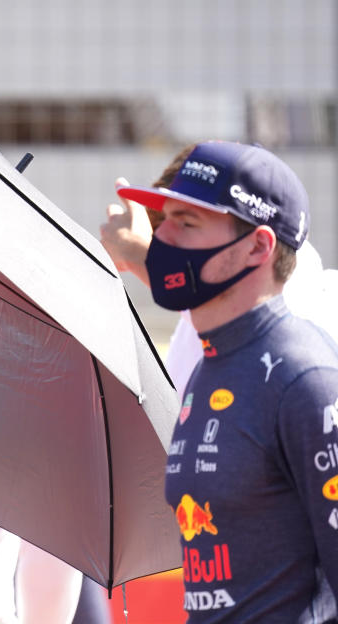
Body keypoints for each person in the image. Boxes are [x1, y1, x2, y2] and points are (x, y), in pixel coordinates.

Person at [114, 141, 338, 621]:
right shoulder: (206, 365)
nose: (164, 239)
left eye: (187, 223)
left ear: (258, 246)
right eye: (165, 218)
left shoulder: (305, 376)